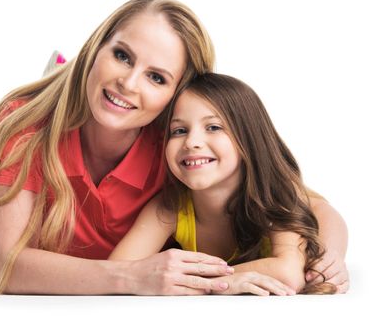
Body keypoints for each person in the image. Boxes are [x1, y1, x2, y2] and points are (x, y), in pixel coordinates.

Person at [0, 0, 348, 295]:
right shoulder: (25, 125)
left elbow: (299, 200)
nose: (129, 83)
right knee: (57, 102)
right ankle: (63, 72)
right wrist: (133, 277)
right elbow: (8, 267)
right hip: (88, 273)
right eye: (121, 55)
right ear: (97, 46)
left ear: (176, 95)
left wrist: (327, 257)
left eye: (156, 77)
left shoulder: (177, 144)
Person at [109, 73, 345, 295]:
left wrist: (212, 283)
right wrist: (225, 283)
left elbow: (288, 272)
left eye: (213, 127)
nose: (192, 142)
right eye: (179, 130)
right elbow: (117, 273)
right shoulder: (169, 208)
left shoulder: (275, 197)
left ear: (249, 138)